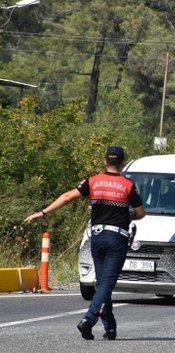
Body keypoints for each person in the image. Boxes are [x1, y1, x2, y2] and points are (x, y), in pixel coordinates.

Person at [24, 146, 145, 340]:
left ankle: (110, 328)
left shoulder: (93, 181)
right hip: (117, 239)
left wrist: (43, 212)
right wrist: (127, 214)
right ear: (122, 163)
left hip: (97, 238)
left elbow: (67, 197)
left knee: (102, 284)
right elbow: (140, 213)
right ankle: (88, 320)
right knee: (106, 284)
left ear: (105, 161)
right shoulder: (128, 186)